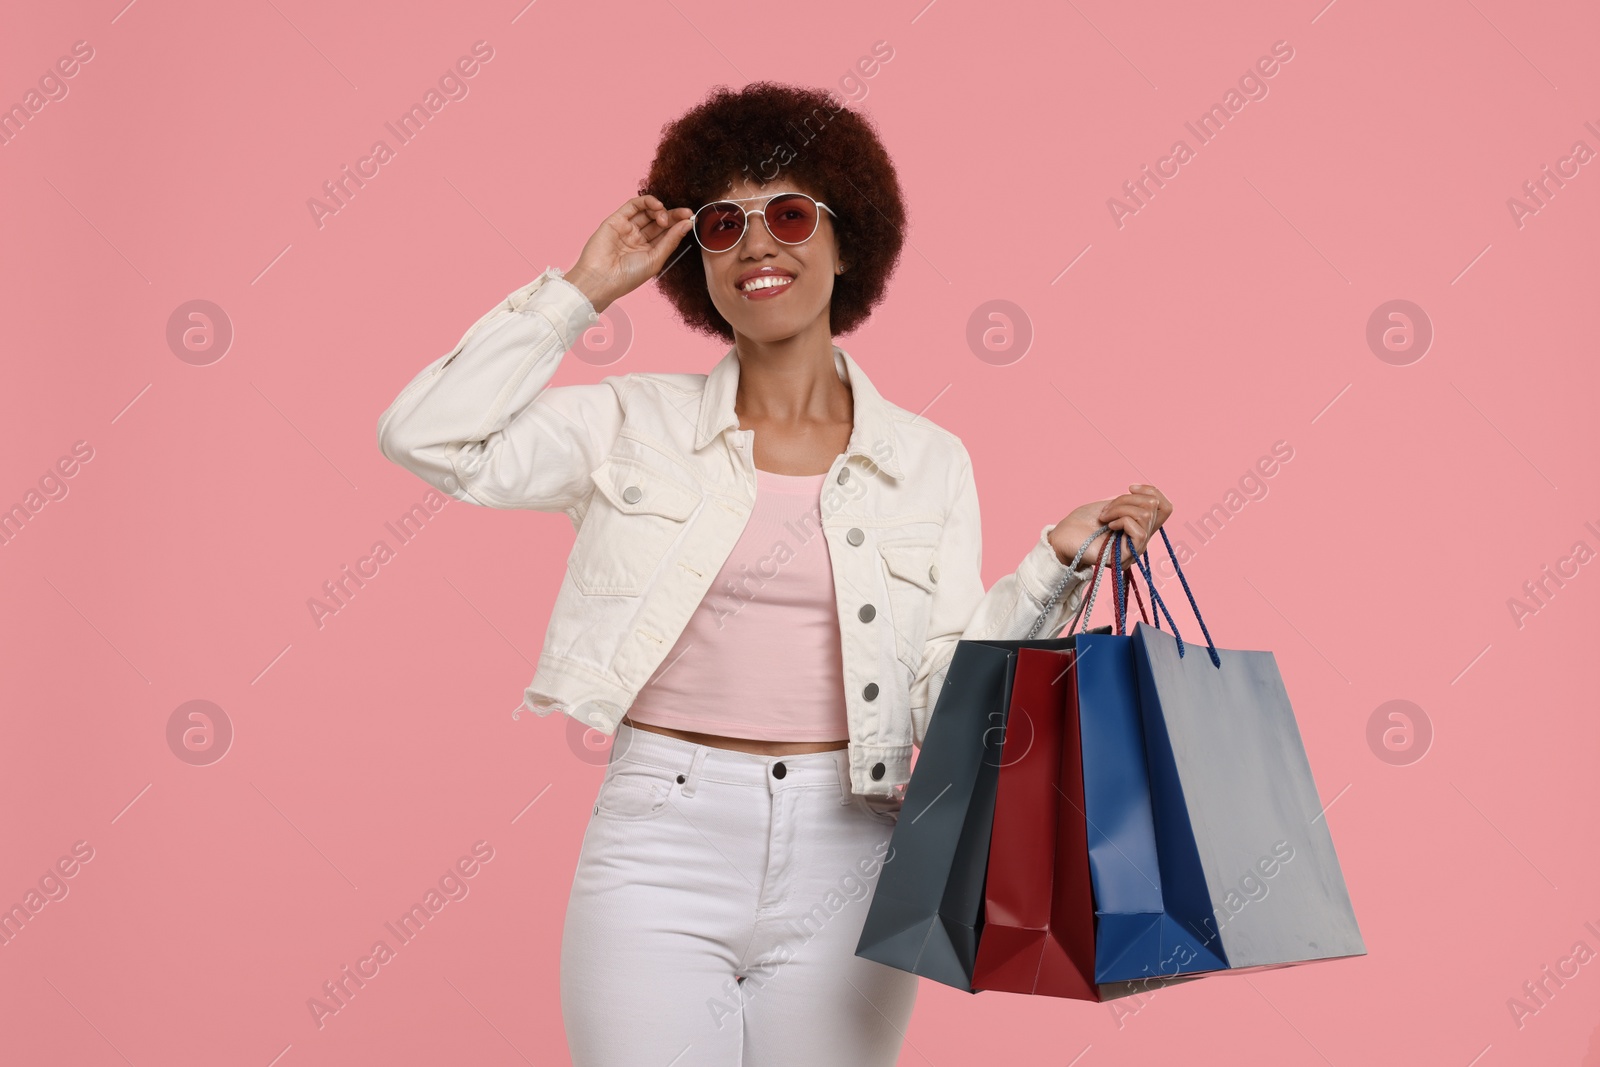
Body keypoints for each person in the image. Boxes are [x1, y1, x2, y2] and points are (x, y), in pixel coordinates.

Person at [376, 81, 1174, 1066]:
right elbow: (427, 435)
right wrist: (580, 291)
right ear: (693, 258)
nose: (758, 244)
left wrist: (1053, 560)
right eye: (723, 223)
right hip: (658, 843)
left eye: (790, 213)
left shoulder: (929, 461)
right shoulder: (632, 424)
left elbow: (947, 697)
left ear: (848, 242)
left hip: (851, 845)